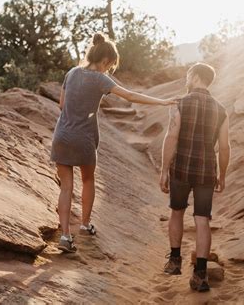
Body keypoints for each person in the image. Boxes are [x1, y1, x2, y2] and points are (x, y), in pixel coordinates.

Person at [52, 33, 176, 253]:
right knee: (88, 180)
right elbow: (130, 96)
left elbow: (62, 104)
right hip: (84, 138)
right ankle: (84, 224)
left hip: (61, 136)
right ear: (106, 61)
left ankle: (65, 236)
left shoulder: (71, 73)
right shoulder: (100, 78)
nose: (109, 70)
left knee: (66, 187)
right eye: (110, 66)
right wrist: (163, 101)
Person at [159, 63, 230, 292]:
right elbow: (225, 146)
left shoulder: (180, 103)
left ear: (196, 77)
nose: (186, 79)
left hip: (181, 168)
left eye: (189, 75)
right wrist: (223, 174)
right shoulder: (221, 110)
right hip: (206, 171)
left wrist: (163, 169)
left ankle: (174, 261)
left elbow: (171, 137)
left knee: (176, 212)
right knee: (202, 219)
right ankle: (200, 274)